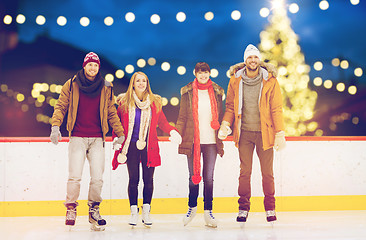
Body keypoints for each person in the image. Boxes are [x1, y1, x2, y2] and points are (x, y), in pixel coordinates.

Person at [50, 52, 125, 231]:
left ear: (99, 68)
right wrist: (55, 126)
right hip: (77, 136)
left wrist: (120, 133)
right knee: (75, 176)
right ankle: (71, 209)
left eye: (96, 65)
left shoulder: (106, 86)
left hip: (98, 138)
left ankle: (94, 210)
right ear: (84, 66)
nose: (93, 68)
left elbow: (111, 112)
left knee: (97, 178)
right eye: (90, 64)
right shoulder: (72, 84)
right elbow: (61, 106)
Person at [218, 44, 286, 223]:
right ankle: (243, 208)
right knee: (245, 172)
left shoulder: (270, 80)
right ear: (245, 60)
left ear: (259, 60)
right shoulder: (235, 80)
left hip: (265, 133)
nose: (253, 60)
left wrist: (280, 132)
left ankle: (270, 208)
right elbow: (231, 107)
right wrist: (225, 123)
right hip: (244, 134)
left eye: (255, 57)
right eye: (249, 57)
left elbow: (276, 108)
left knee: (267, 173)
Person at [111, 71, 182, 227]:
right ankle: (134, 212)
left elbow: (162, 122)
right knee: (133, 180)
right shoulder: (124, 103)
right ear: (133, 84)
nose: (141, 83)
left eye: (144, 81)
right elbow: (117, 124)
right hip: (130, 148)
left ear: (147, 84)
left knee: (148, 180)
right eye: (138, 81)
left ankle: (146, 211)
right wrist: (116, 139)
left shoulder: (154, 103)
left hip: (149, 148)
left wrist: (172, 131)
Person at [176, 62, 225, 228]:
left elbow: (223, 114)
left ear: (209, 73)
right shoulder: (187, 92)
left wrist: (225, 128)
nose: (203, 75)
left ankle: (208, 211)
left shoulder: (218, 92)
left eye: (206, 72)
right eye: (200, 72)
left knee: (209, 178)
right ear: (195, 73)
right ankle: (191, 207)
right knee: (193, 177)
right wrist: (177, 132)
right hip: (192, 140)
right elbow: (182, 117)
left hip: (211, 141)